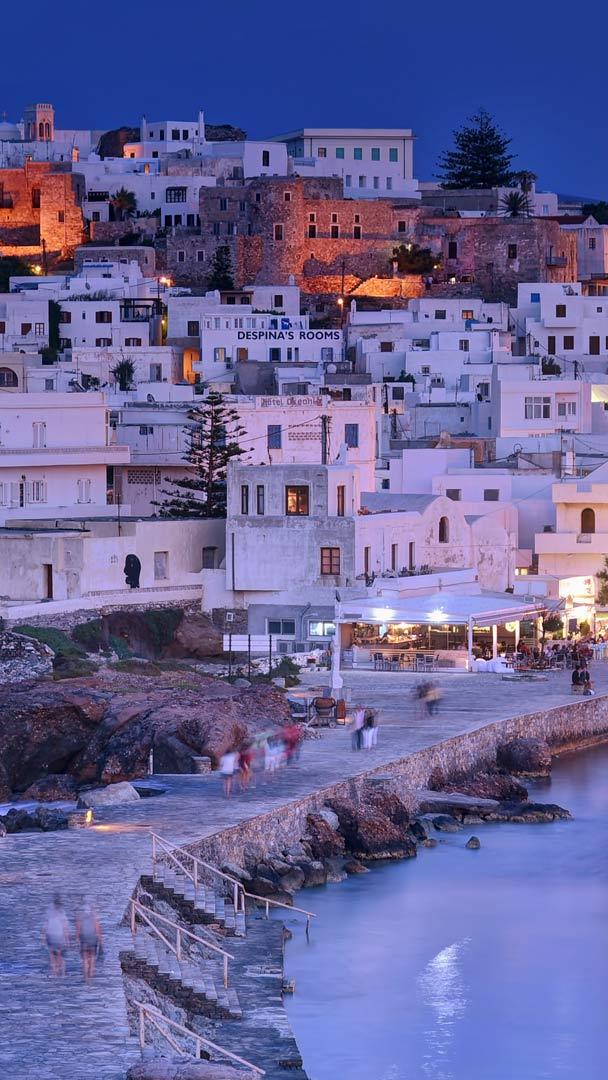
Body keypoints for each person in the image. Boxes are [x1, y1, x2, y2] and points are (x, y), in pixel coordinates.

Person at [42, 894, 70, 976]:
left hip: (50, 936)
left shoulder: (49, 913)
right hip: (59, 937)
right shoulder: (62, 914)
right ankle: (59, 971)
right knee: (59, 955)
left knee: (52, 956)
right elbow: (65, 928)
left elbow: (45, 926)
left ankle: (55, 972)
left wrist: (43, 937)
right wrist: (67, 940)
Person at [76, 901, 103, 983]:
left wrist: (78, 942)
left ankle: (86, 978)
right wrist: (101, 942)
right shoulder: (95, 917)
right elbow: (98, 931)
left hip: (84, 939)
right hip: (93, 940)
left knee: (85, 959)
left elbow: (78, 931)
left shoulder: (80, 918)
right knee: (92, 959)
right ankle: (90, 978)